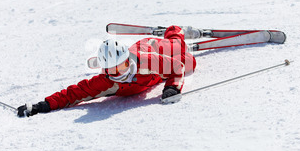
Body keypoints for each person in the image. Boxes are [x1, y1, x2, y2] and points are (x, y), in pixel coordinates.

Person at [17, 25, 202, 117]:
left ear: (126, 60)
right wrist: (41, 106)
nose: (118, 73)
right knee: (187, 61)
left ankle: (175, 30)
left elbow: (178, 68)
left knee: (186, 59)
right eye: (111, 70)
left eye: (121, 65)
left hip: (153, 48)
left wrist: (173, 88)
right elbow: (74, 93)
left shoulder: (145, 61)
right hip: (153, 69)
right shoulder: (106, 81)